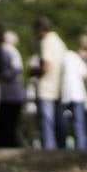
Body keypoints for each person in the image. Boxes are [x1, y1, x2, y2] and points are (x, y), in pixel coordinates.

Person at [34, 15, 67, 149]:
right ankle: (60, 147)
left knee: (46, 123)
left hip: (47, 87)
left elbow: (46, 66)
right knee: (58, 122)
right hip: (58, 87)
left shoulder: (46, 41)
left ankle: (48, 149)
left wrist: (34, 72)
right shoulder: (59, 42)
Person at [0, 30, 25, 147]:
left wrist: (0, 75)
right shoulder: (11, 51)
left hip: (9, 95)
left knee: (6, 126)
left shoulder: (8, 51)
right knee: (9, 127)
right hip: (12, 95)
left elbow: (15, 70)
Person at [60, 42, 87, 149]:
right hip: (78, 94)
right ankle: (81, 146)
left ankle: (63, 145)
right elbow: (85, 74)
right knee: (79, 123)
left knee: (64, 122)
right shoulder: (75, 57)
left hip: (66, 94)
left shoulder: (62, 58)